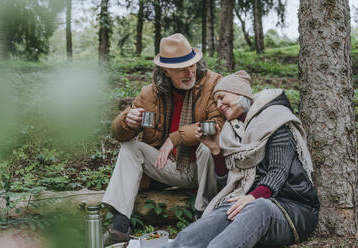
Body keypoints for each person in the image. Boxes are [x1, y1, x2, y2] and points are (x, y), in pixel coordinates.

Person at [166, 71, 320, 248]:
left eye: (222, 97)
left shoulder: (277, 120)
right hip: (249, 204)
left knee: (258, 207)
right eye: (216, 101)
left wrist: (252, 197)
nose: (219, 105)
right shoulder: (233, 132)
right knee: (215, 217)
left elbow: (278, 172)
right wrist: (216, 149)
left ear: (240, 93)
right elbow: (229, 185)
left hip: (292, 209)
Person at [102, 33, 225, 245]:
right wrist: (127, 121)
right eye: (181, 69)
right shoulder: (150, 94)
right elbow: (117, 134)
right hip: (169, 168)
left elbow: (216, 127)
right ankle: (120, 224)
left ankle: (201, 214)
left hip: (206, 170)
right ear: (166, 71)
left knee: (207, 145)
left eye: (192, 65)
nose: (189, 73)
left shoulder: (213, 83)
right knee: (131, 148)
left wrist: (176, 137)